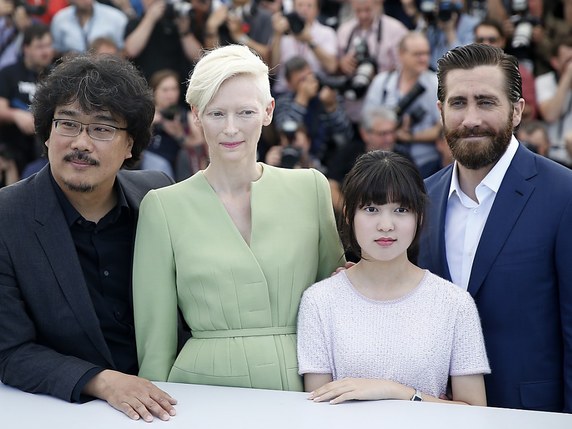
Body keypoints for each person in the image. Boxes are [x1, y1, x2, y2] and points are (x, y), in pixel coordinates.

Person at [133, 44, 344, 391]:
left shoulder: (311, 189)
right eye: (217, 114)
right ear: (196, 114)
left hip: (304, 388)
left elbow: (334, 303)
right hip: (201, 394)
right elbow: (155, 341)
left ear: (268, 110)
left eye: (245, 112)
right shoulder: (162, 207)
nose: (230, 129)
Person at [0, 54, 180, 422]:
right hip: (62, 411)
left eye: (102, 128)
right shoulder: (7, 217)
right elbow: (9, 350)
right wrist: (102, 382)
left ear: (131, 146)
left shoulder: (158, 195)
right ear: (47, 133)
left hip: (175, 402)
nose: (80, 142)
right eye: (67, 124)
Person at [417, 43, 572, 412]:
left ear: (517, 111)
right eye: (458, 103)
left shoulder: (563, 195)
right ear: (440, 111)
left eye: (486, 102)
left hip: (532, 415)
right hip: (435, 411)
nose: (471, 118)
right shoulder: (421, 199)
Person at [297, 150, 489, 405]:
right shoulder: (319, 301)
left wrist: (396, 391)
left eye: (400, 209)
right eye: (371, 209)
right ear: (348, 215)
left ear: (419, 217)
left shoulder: (454, 303)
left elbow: (476, 413)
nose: (386, 225)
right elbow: (317, 406)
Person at [363, 31, 442, 177]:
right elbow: (368, 121)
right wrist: (391, 129)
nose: (423, 59)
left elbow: (442, 129)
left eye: (426, 53)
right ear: (401, 54)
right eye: (417, 54)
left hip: (426, 163)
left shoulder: (435, 83)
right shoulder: (382, 82)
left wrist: (408, 136)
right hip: (385, 160)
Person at [327, 105, 411, 216]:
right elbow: (331, 185)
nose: (389, 139)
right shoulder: (348, 153)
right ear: (365, 134)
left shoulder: (404, 159)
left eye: (392, 132)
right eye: (382, 134)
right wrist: (350, 213)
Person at [273, 55, 354, 167]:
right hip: (297, 161)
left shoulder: (327, 94)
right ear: (289, 83)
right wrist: (301, 100)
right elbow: (286, 132)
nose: (309, 84)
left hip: (329, 161)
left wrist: (331, 107)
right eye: (301, 81)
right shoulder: (283, 101)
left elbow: (345, 136)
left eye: (310, 77)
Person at [336, 0, 408, 123]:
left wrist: (380, 75)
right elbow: (333, 69)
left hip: (384, 107)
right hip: (352, 107)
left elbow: (406, 69)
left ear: (378, 4)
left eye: (367, 10)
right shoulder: (344, 30)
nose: (363, 15)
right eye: (358, 11)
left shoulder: (395, 30)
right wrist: (342, 64)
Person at [0, 22, 54, 176]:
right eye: (40, 47)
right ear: (26, 48)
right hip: (12, 143)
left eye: (49, 46)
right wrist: (16, 115)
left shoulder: (56, 76)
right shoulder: (9, 73)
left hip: (44, 145)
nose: (46, 52)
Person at [473, 18, 537, 121]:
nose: (486, 44)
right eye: (480, 40)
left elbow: (530, 111)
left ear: (502, 41)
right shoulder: (464, 73)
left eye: (492, 40)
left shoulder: (519, 72)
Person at [270, 0, 338, 95]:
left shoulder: (327, 33)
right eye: (300, 5)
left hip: (314, 92)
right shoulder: (282, 31)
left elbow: (332, 67)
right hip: (284, 92)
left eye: (309, 6)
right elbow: (272, 68)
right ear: (293, 8)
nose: (304, 10)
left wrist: (310, 41)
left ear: (317, 10)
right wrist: (277, 35)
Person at [535, 35, 572, 166]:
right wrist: (567, 77)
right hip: (553, 155)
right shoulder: (544, 81)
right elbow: (550, 115)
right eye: (568, 60)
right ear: (555, 62)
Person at [50, 0, 128, 56]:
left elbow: (125, 52)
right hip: (73, 72)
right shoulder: (60, 19)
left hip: (108, 71)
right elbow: (57, 51)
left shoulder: (116, 17)